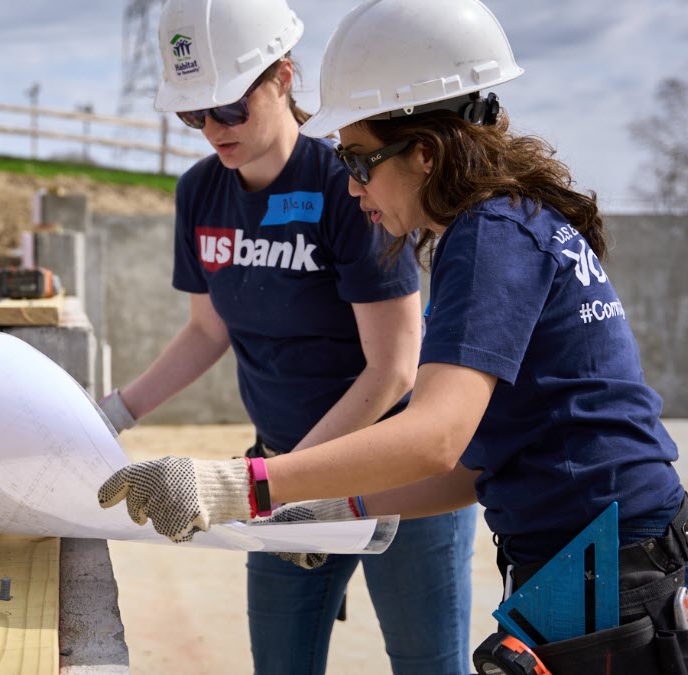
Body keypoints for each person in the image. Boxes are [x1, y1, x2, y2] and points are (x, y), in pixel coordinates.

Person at [98, 0, 688, 670]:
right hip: (604, 555)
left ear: (422, 154)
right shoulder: (506, 225)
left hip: (611, 566)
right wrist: (339, 502)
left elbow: (434, 434)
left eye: (360, 161)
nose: (353, 185)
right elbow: (476, 464)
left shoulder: (489, 238)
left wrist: (244, 485)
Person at [95, 1, 476, 672]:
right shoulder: (201, 194)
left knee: (426, 663)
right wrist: (115, 412)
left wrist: (284, 482)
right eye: (194, 113)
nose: (214, 129)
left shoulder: (353, 185)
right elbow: (207, 328)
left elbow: (393, 368)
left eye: (230, 108)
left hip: (393, 477)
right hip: (279, 472)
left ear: (283, 78)